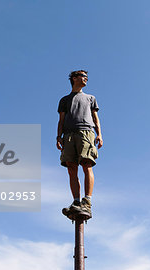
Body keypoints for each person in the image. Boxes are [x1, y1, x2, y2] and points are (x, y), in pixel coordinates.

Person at [56, 70, 103, 219]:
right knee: (71, 168)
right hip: (69, 134)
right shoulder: (64, 100)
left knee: (86, 164)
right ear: (74, 78)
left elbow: (96, 118)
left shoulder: (90, 98)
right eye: (83, 76)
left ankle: (87, 200)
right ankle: (76, 201)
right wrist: (59, 136)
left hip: (86, 132)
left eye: (87, 77)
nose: (86, 79)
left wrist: (99, 135)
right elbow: (61, 120)